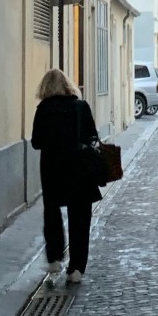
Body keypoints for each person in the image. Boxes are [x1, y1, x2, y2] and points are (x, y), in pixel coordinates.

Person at [31, 67, 101, 284]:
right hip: (80, 170)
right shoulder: (80, 107)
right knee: (80, 219)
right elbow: (93, 137)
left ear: (45, 87)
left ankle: (54, 258)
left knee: (52, 213)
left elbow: (36, 142)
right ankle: (76, 268)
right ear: (67, 84)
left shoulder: (43, 109)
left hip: (53, 169)